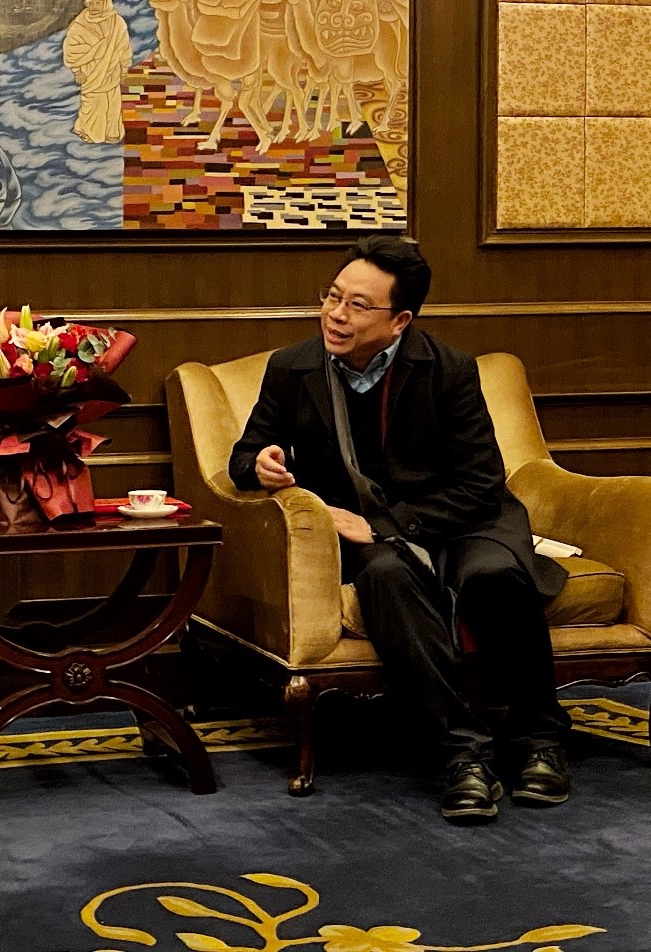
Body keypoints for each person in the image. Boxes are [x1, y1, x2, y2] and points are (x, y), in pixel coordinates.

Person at [229, 235, 571, 824]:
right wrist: (259, 464)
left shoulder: (449, 369)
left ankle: (540, 737)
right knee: (386, 577)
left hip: (463, 519)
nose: (337, 314)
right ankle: (464, 754)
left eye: (359, 305)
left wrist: (385, 523)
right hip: (366, 539)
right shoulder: (292, 367)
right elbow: (243, 455)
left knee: (493, 577)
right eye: (333, 296)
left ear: (400, 321)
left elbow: (481, 484)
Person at [63, 0, 133, 143]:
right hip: (91, 74)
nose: (94, 7)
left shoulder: (117, 23)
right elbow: (71, 50)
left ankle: (112, 133)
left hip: (112, 72)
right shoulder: (80, 24)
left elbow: (124, 48)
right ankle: (90, 133)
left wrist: (124, 69)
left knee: (113, 104)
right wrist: (77, 71)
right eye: (91, 3)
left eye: (98, 3)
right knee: (94, 104)